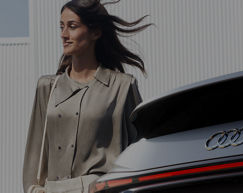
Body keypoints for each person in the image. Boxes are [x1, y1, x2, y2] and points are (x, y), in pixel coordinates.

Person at [23, 0, 151, 192]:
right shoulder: (47, 87)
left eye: (72, 27)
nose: (63, 35)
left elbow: (140, 151)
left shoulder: (122, 87)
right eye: (61, 27)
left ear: (95, 32)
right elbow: (34, 156)